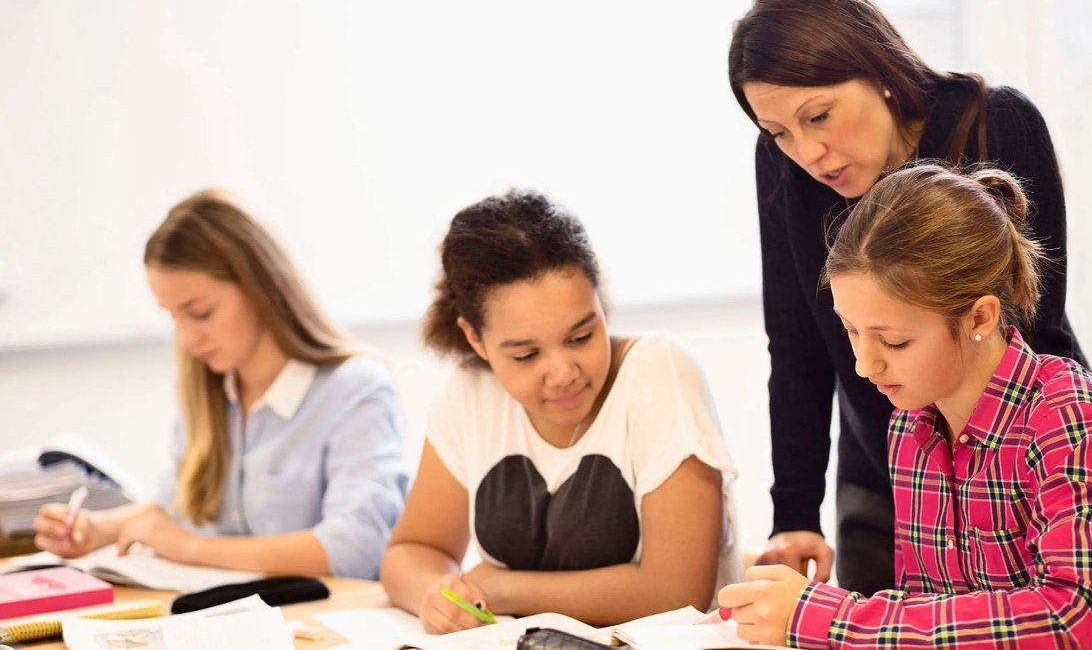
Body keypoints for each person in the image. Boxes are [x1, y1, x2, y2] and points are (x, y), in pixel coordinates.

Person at [728, 0, 1090, 594]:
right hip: (887, 475)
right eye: (778, 133)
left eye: (819, 116)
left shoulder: (994, 124)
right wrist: (794, 515)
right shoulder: (784, 170)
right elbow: (796, 346)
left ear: (878, 68)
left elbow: (1029, 321)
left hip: (1024, 463)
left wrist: (972, 483)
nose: (807, 152)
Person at [718, 164, 1092, 647]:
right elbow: (929, 617)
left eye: (893, 341)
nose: (865, 366)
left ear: (979, 316)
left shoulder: (1067, 414)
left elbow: (1066, 618)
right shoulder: (909, 426)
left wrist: (828, 618)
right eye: (851, 331)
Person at [379, 190, 739, 633]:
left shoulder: (658, 373)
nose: (563, 373)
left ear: (600, 303)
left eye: (581, 337)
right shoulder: (470, 392)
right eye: (526, 355)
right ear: (475, 339)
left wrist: (503, 589)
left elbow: (676, 592)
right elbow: (411, 550)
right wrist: (434, 591)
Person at [33, 189, 409, 580]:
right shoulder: (208, 389)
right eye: (174, 317)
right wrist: (99, 529)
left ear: (259, 287)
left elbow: (355, 548)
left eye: (200, 313)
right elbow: (180, 507)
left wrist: (192, 549)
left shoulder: (355, 390)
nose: (187, 340)